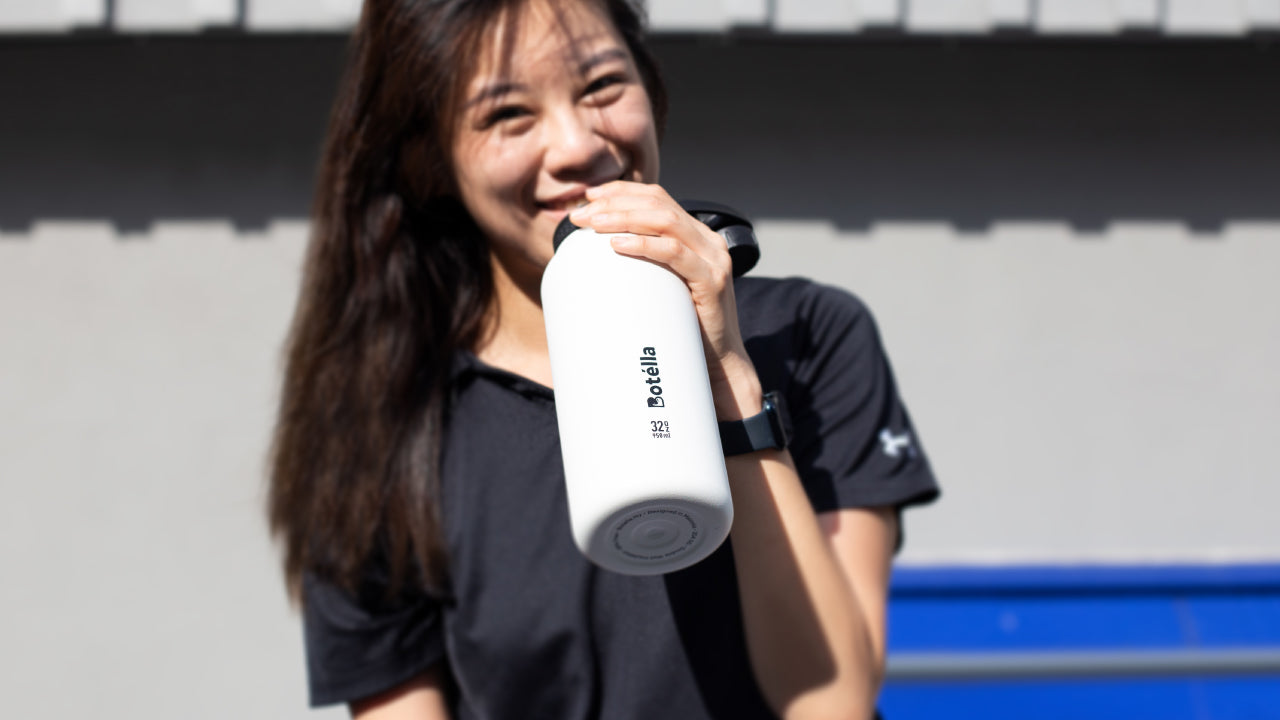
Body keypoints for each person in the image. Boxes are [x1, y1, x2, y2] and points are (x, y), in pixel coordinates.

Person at [268, 0, 939, 718]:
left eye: (601, 87)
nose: (577, 146)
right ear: (431, 160)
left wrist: (729, 380)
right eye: (507, 116)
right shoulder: (382, 421)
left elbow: (831, 700)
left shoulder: (806, 337)